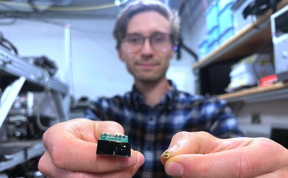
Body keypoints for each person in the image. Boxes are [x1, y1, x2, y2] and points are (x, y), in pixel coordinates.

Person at [38, 1, 288, 178]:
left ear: (173, 48)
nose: (147, 50)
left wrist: (261, 167)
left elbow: (239, 158)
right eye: (135, 39)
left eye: (158, 39)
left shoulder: (212, 110)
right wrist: (65, 155)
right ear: (121, 51)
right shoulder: (102, 110)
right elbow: (75, 148)